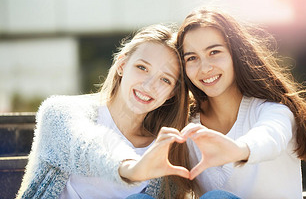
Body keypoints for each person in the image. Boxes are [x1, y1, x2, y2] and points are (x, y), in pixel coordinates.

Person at [16, 24, 193, 199]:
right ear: (122, 65)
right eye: (142, 68)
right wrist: (130, 168)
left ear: (172, 93)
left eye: (165, 80)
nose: (149, 85)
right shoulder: (60, 111)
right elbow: (88, 145)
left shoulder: (166, 151)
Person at [174, 6, 306, 199]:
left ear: (236, 53)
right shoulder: (186, 126)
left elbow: (270, 136)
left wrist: (238, 149)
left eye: (214, 52)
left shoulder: (273, 111)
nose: (205, 67)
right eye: (192, 58)